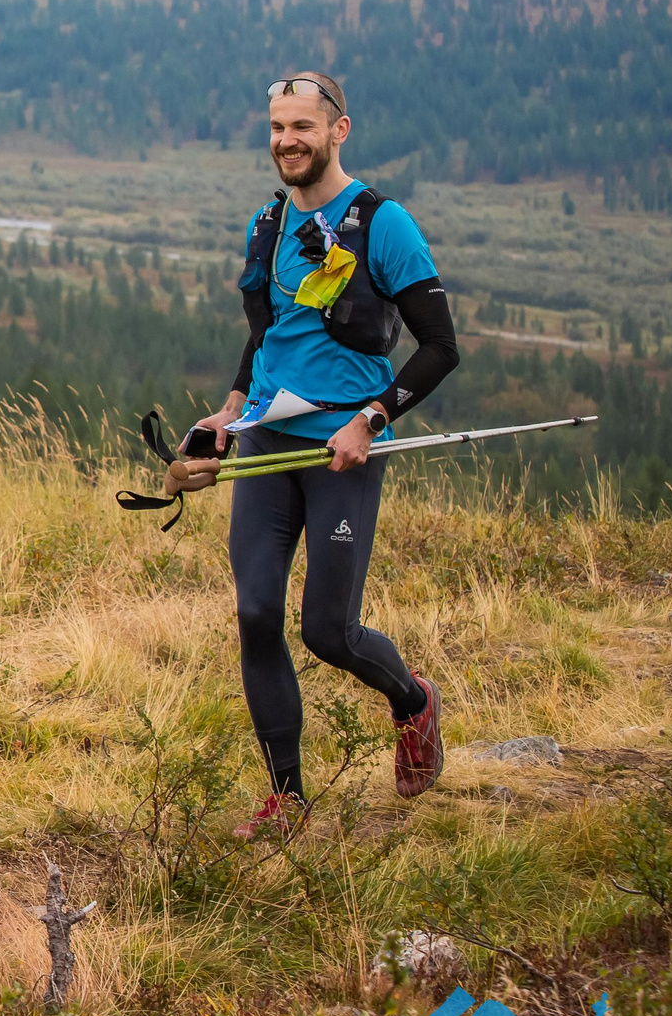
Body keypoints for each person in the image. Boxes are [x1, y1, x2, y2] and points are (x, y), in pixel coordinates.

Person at [164, 72, 460, 831]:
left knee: (327, 632)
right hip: (267, 442)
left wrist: (370, 418)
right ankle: (288, 798)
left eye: (302, 126)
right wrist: (229, 414)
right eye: (277, 128)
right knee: (257, 613)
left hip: (342, 452)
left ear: (339, 130)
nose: (287, 140)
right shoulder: (265, 222)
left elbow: (440, 348)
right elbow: (266, 337)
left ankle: (413, 702)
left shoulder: (382, 223)